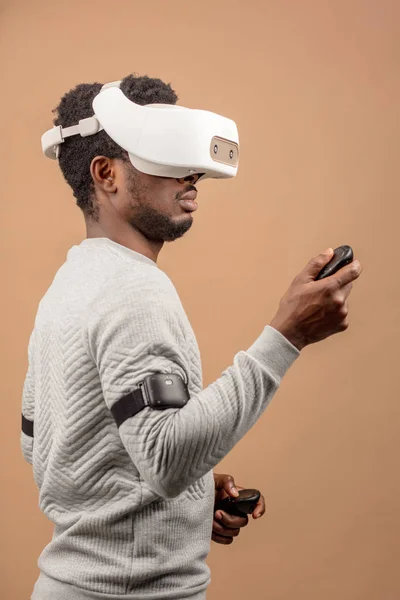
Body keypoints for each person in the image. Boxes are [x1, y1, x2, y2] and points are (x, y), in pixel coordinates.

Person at [21, 73, 362, 600]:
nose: (192, 174)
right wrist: (287, 334)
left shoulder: (67, 287)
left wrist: (188, 500)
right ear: (106, 173)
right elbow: (167, 458)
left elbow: (46, 444)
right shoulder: (134, 291)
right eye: (165, 155)